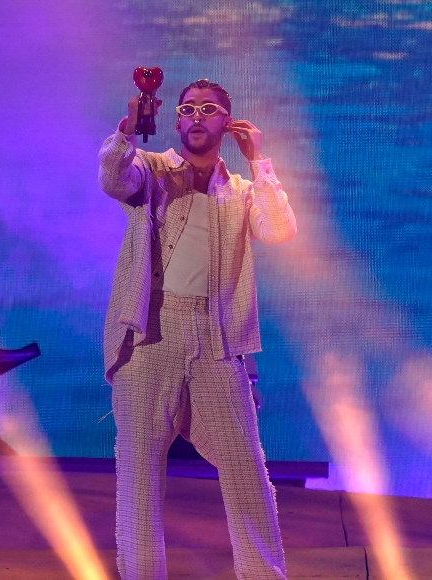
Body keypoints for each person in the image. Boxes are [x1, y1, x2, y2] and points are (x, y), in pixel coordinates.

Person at [98, 78, 297, 580]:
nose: (196, 116)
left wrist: (260, 162)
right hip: (149, 333)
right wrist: (126, 133)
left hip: (217, 338)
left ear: (226, 123)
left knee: (246, 467)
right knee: (139, 471)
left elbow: (278, 231)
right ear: (177, 119)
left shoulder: (242, 191)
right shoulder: (155, 171)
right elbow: (114, 179)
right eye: (187, 109)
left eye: (209, 109)